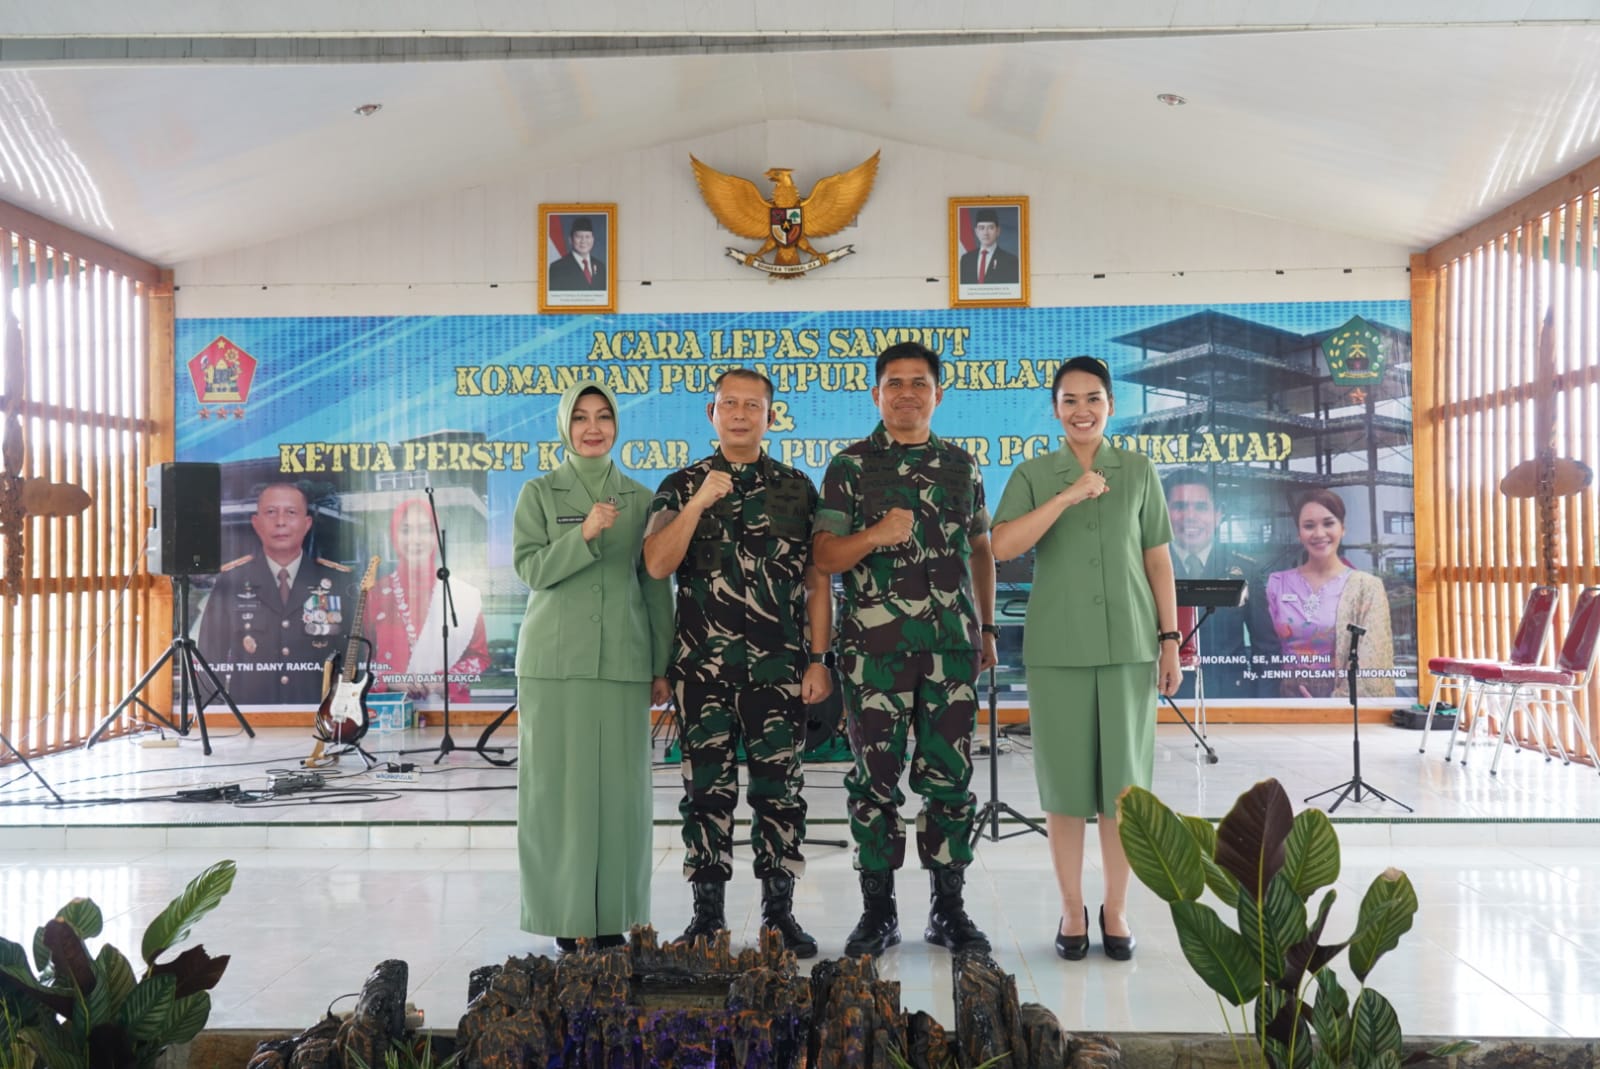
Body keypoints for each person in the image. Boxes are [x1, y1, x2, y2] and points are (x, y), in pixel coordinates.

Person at [990, 355, 1180, 963]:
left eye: (1093, 398)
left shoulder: (1139, 470)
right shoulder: (1033, 474)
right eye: (1069, 400)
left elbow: (1157, 560)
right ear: (1055, 410)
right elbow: (1003, 545)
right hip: (1058, 647)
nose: (1082, 410)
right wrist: (1069, 495)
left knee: (1124, 789)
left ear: (1110, 406)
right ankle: (1073, 908)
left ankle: (1115, 908)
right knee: (1066, 787)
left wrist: (1169, 638)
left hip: (1129, 646)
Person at [813, 340, 997, 958]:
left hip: (951, 651)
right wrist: (875, 534)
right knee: (874, 784)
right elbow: (825, 557)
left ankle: (949, 910)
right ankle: (878, 913)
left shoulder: (963, 466)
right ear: (876, 394)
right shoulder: (849, 467)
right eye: (895, 383)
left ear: (938, 394)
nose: (907, 393)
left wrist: (986, 629)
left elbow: (981, 550)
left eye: (920, 383)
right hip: (875, 654)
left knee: (950, 780)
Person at [644, 369, 833, 958]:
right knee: (706, 794)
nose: (742, 414)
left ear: (771, 417)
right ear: (712, 413)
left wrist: (820, 659)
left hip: (779, 671)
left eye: (754, 405)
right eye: (730, 404)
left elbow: (816, 582)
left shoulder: (798, 489)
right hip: (702, 672)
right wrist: (700, 502)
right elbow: (656, 563)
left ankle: (780, 917)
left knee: (781, 794)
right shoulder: (680, 485)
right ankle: (707, 919)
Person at [512, 380, 672, 954]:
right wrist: (582, 533)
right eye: (580, 417)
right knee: (558, 793)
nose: (593, 427)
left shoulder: (642, 499)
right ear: (565, 426)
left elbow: (655, 586)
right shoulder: (539, 493)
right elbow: (531, 570)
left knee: (621, 795)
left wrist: (661, 663)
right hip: (553, 665)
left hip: (623, 663)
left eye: (603, 416)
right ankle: (566, 915)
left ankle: (613, 918)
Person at [198, 482, 352, 709]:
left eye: (291, 512)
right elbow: (208, 660)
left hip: (319, 716)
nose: (281, 521)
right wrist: (216, 716)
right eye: (271, 512)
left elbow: (353, 657)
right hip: (250, 718)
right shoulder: (231, 582)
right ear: (256, 523)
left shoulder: (336, 582)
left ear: (307, 523)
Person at [1265, 489, 1396, 699]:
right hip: (1283, 700)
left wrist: (1334, 704)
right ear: (1299, 533)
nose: (1319, 533)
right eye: (1309, 526)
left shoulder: (1366, 588)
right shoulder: (1277, 584)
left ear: (1342, 528)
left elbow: (1373, 660)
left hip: (1342, 704)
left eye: (1328, 523)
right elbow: (1265, 649)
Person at [1163, 469, 1280, 699]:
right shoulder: (1147, 568)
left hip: (1230, 697)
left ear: (1218, 514)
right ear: (1163, 513)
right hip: (1165, 696)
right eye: (1179, 506)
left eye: (1201, 507)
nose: (1190, 516)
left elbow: (1266, 649)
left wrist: (1263, 706)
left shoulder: (1245, 570)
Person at [364, 497, 490, 706]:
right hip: (390, 709)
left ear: (436, 536)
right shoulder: (374, 594)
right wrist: (391, 680)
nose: (416, 540)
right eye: (406, 530)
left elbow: (479, 657)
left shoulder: (463, 595)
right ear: (394, 535)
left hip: (450, 711)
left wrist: (445, 681)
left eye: (425, 530)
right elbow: (361, 661)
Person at [957, 208, 1019, 286]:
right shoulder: (966, 259)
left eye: (990, 228)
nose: (986, 233)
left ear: (998, 231)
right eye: (981, 228)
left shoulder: (1011, 261)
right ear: (976, 231)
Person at [547, 216, 607, 292]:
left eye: (587, 236)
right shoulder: (557, 268)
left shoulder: (601, 267)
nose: (583, 241)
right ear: (570, 240)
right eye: (579, 236)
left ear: (593, 240)